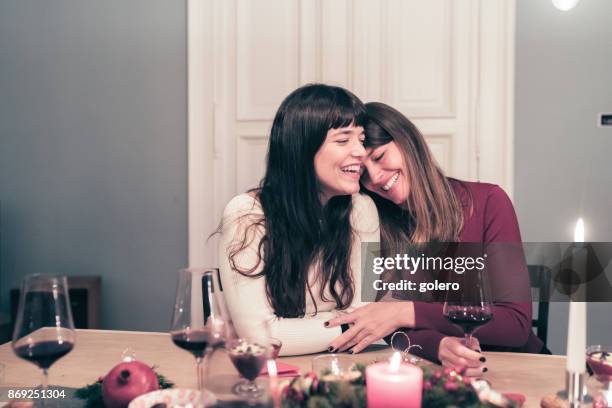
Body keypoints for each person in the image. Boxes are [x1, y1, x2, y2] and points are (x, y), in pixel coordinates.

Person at [327, 102, 543, 376]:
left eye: (380, 157)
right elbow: (382, 326)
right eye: (364, 173)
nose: (377, 178)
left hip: (515, 367)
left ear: (408, 142)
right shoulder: (373, 223)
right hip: (436, 370)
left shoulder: (488, 201)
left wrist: (405, 312)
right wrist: (437, 345)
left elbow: (516, 325)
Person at [218, 84, 379, 356]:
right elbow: (260, 339)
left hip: (342, 368)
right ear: (301, 150)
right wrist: (349, 326)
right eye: (343, 140)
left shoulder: (362, 208)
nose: (361, 152)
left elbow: (365, 311)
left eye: (361, 140)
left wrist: (291, 330)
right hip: (267, 377)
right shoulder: (245, 214)